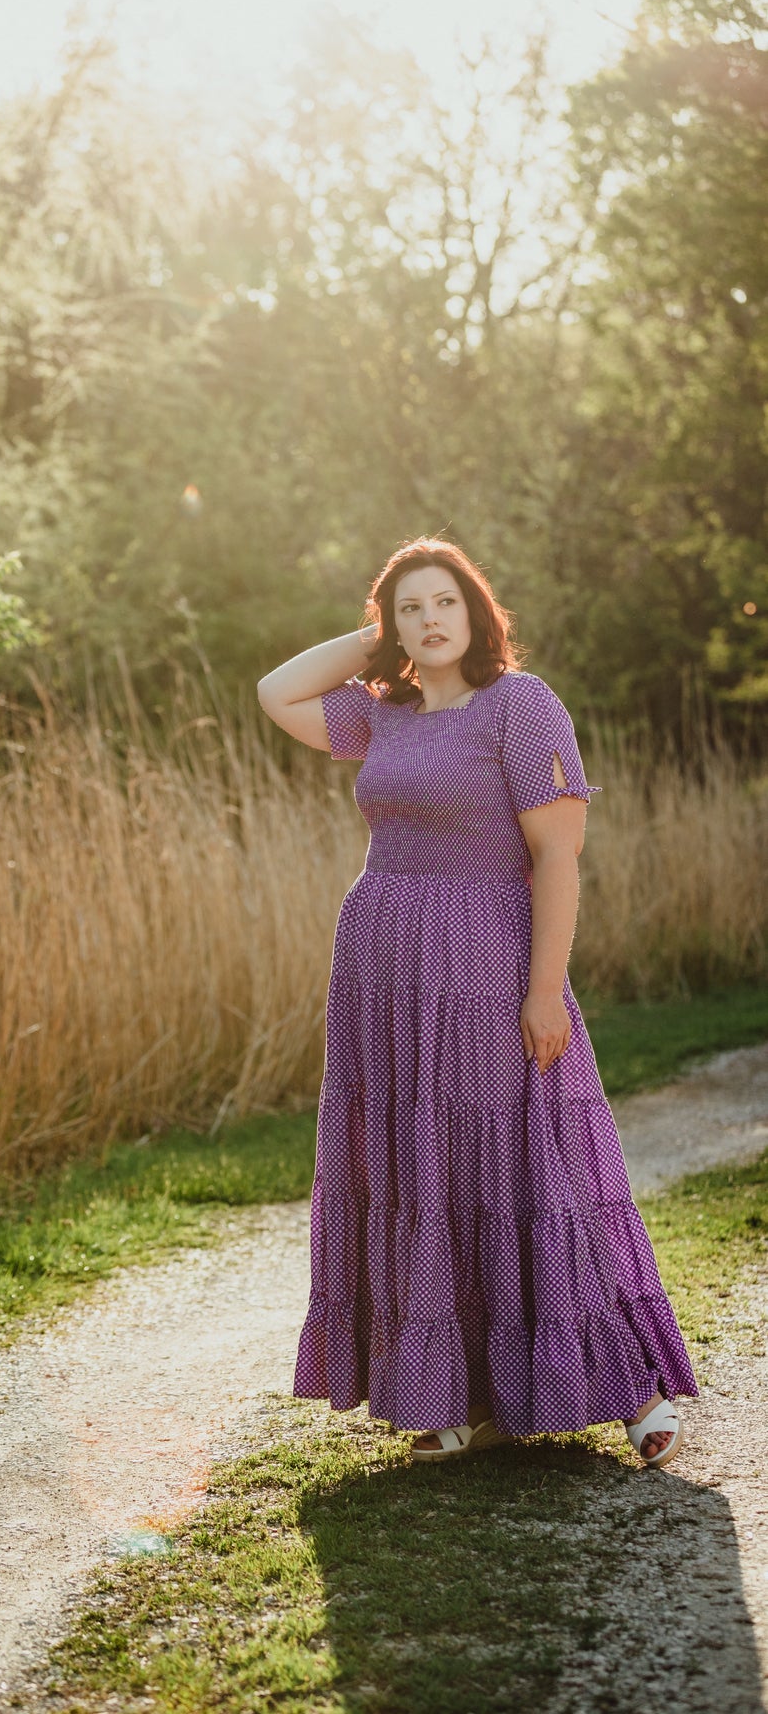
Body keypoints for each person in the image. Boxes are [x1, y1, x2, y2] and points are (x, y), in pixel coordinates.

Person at [257, 537, 697, 1466]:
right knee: (421, 1167)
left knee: (535, 1161)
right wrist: (375, 639)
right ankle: (449, 1395)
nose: (429, 620)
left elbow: (556, 857)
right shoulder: (379, 715)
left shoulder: (521, 706)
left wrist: (543, 992)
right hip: (383, 964)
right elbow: (276, 692)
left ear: (476, 613)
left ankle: (631, 1389)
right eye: (409, 608)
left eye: (443, 602)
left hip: (491, 957)